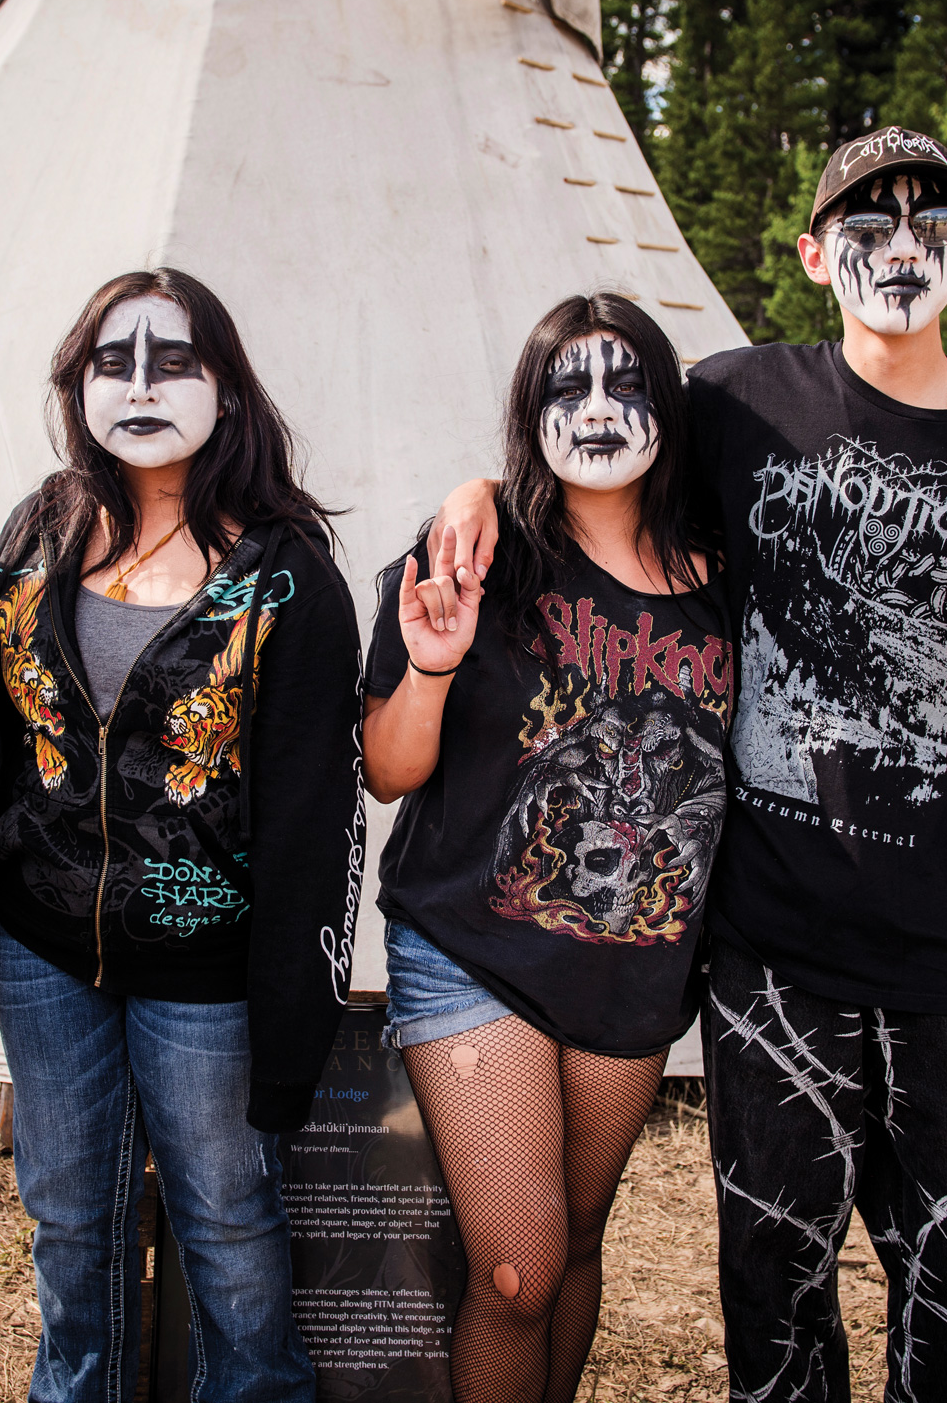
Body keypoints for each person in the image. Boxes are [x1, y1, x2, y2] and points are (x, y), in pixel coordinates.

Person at [426, 127, 947, 1402]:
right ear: (815, 254)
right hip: (769, 944)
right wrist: (473, 489)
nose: (900, 249)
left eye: (928, 220)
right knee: (774, 1310)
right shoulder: (731, 402)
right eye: (867, 226)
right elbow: (596, 478)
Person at [0, 267, 363, 1403]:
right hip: (42, 945)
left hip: (209, 971)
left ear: (225, 389)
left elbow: (316, 822)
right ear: (75, 387)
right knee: (68, 1219)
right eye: (110, 362)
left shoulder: (285, 578)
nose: (139, 385)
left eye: (172, 361)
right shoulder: (37, 530)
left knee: (227, 1220)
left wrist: (292, 1018)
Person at [361, 294, 728, 1403]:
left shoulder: (730, 579)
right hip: (475, 950)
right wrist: (430, 664)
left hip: (637, 970)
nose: (601, 410)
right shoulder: (475, 555)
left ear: (668, 403)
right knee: (516, 1270)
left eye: (627, 385)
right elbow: (386, 769)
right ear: (528, 415)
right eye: (568, 388)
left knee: (572, 1242)